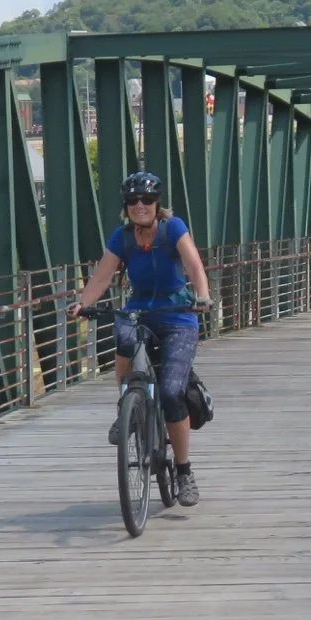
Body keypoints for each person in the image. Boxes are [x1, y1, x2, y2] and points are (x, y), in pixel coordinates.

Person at [70, 170, 213, 506]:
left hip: (178, 315)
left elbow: (193, 264)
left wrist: (202, 295)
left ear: (157, 202)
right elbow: (102, 277)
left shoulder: (172, 228)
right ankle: (127, 408)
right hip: (139, 310)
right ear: (126, 205)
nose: (140, 205)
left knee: (171, 391)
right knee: (124, 336)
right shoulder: (122, 238)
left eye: (147, 199)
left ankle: (183, 472)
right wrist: (83, 304)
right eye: (133, 200)